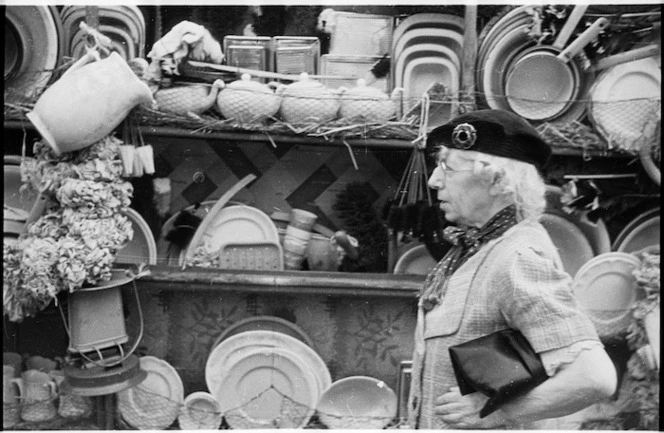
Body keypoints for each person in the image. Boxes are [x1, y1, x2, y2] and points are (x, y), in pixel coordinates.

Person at [407, 109, 617, 429]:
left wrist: (497, 411)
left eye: (447, 168)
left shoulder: (517, 256)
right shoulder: (478, 250)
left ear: (496, 180)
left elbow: (594, 376)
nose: (434, 181)